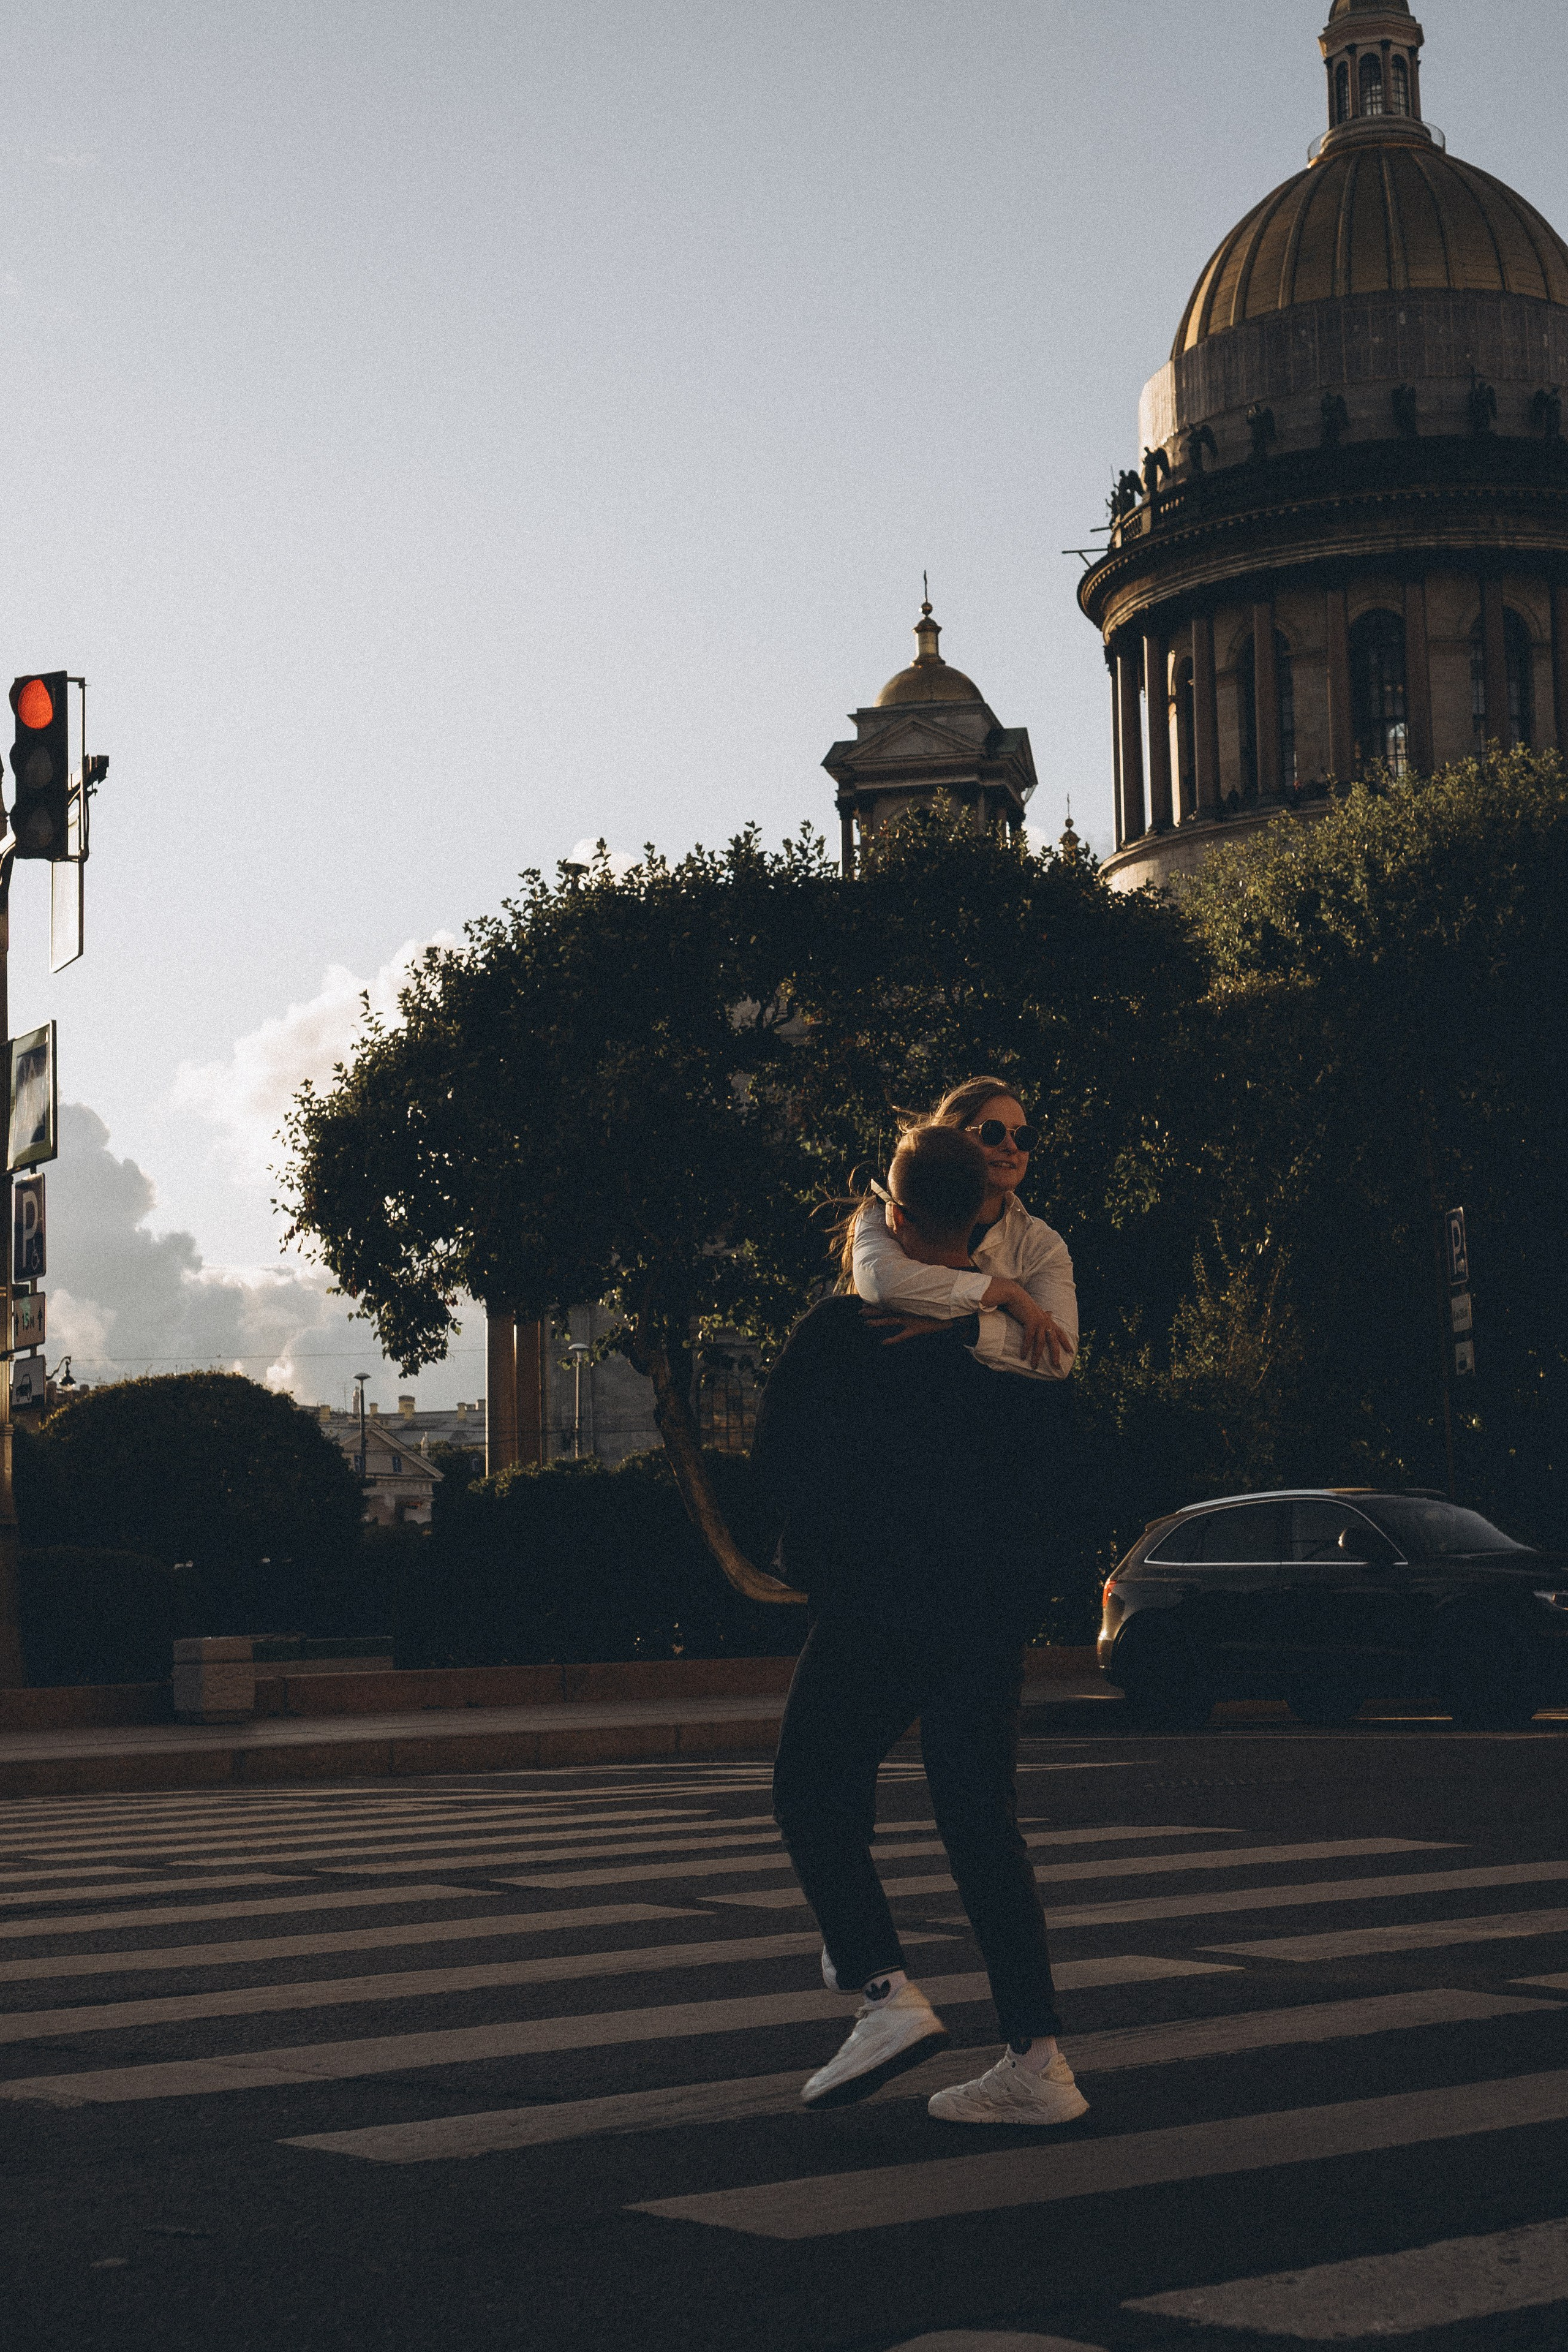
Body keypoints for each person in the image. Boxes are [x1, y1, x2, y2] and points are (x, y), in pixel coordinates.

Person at [755, 1120, 1087, 2127]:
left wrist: (808, 1570)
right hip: (988, 1612)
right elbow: (1061, 1475)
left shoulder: (840, 1330)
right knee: (981, 1824)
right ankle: (1038, 2062)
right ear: (983, 1213)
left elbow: (776, 1468)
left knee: (812, 1781)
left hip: (881, 1600)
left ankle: (880, 1988)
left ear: (895, 1214)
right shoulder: (1019, 1344)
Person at [850, 1076, 1077, 1385]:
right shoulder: (889, 1210)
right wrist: (1009, 1295)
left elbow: (1059, 1357)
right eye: (993, 1133)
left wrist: (963, 1322)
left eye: (1024, 1137)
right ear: (952, 1138)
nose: (1010, 1146)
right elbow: (881, 1281)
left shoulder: (1041, 1245)